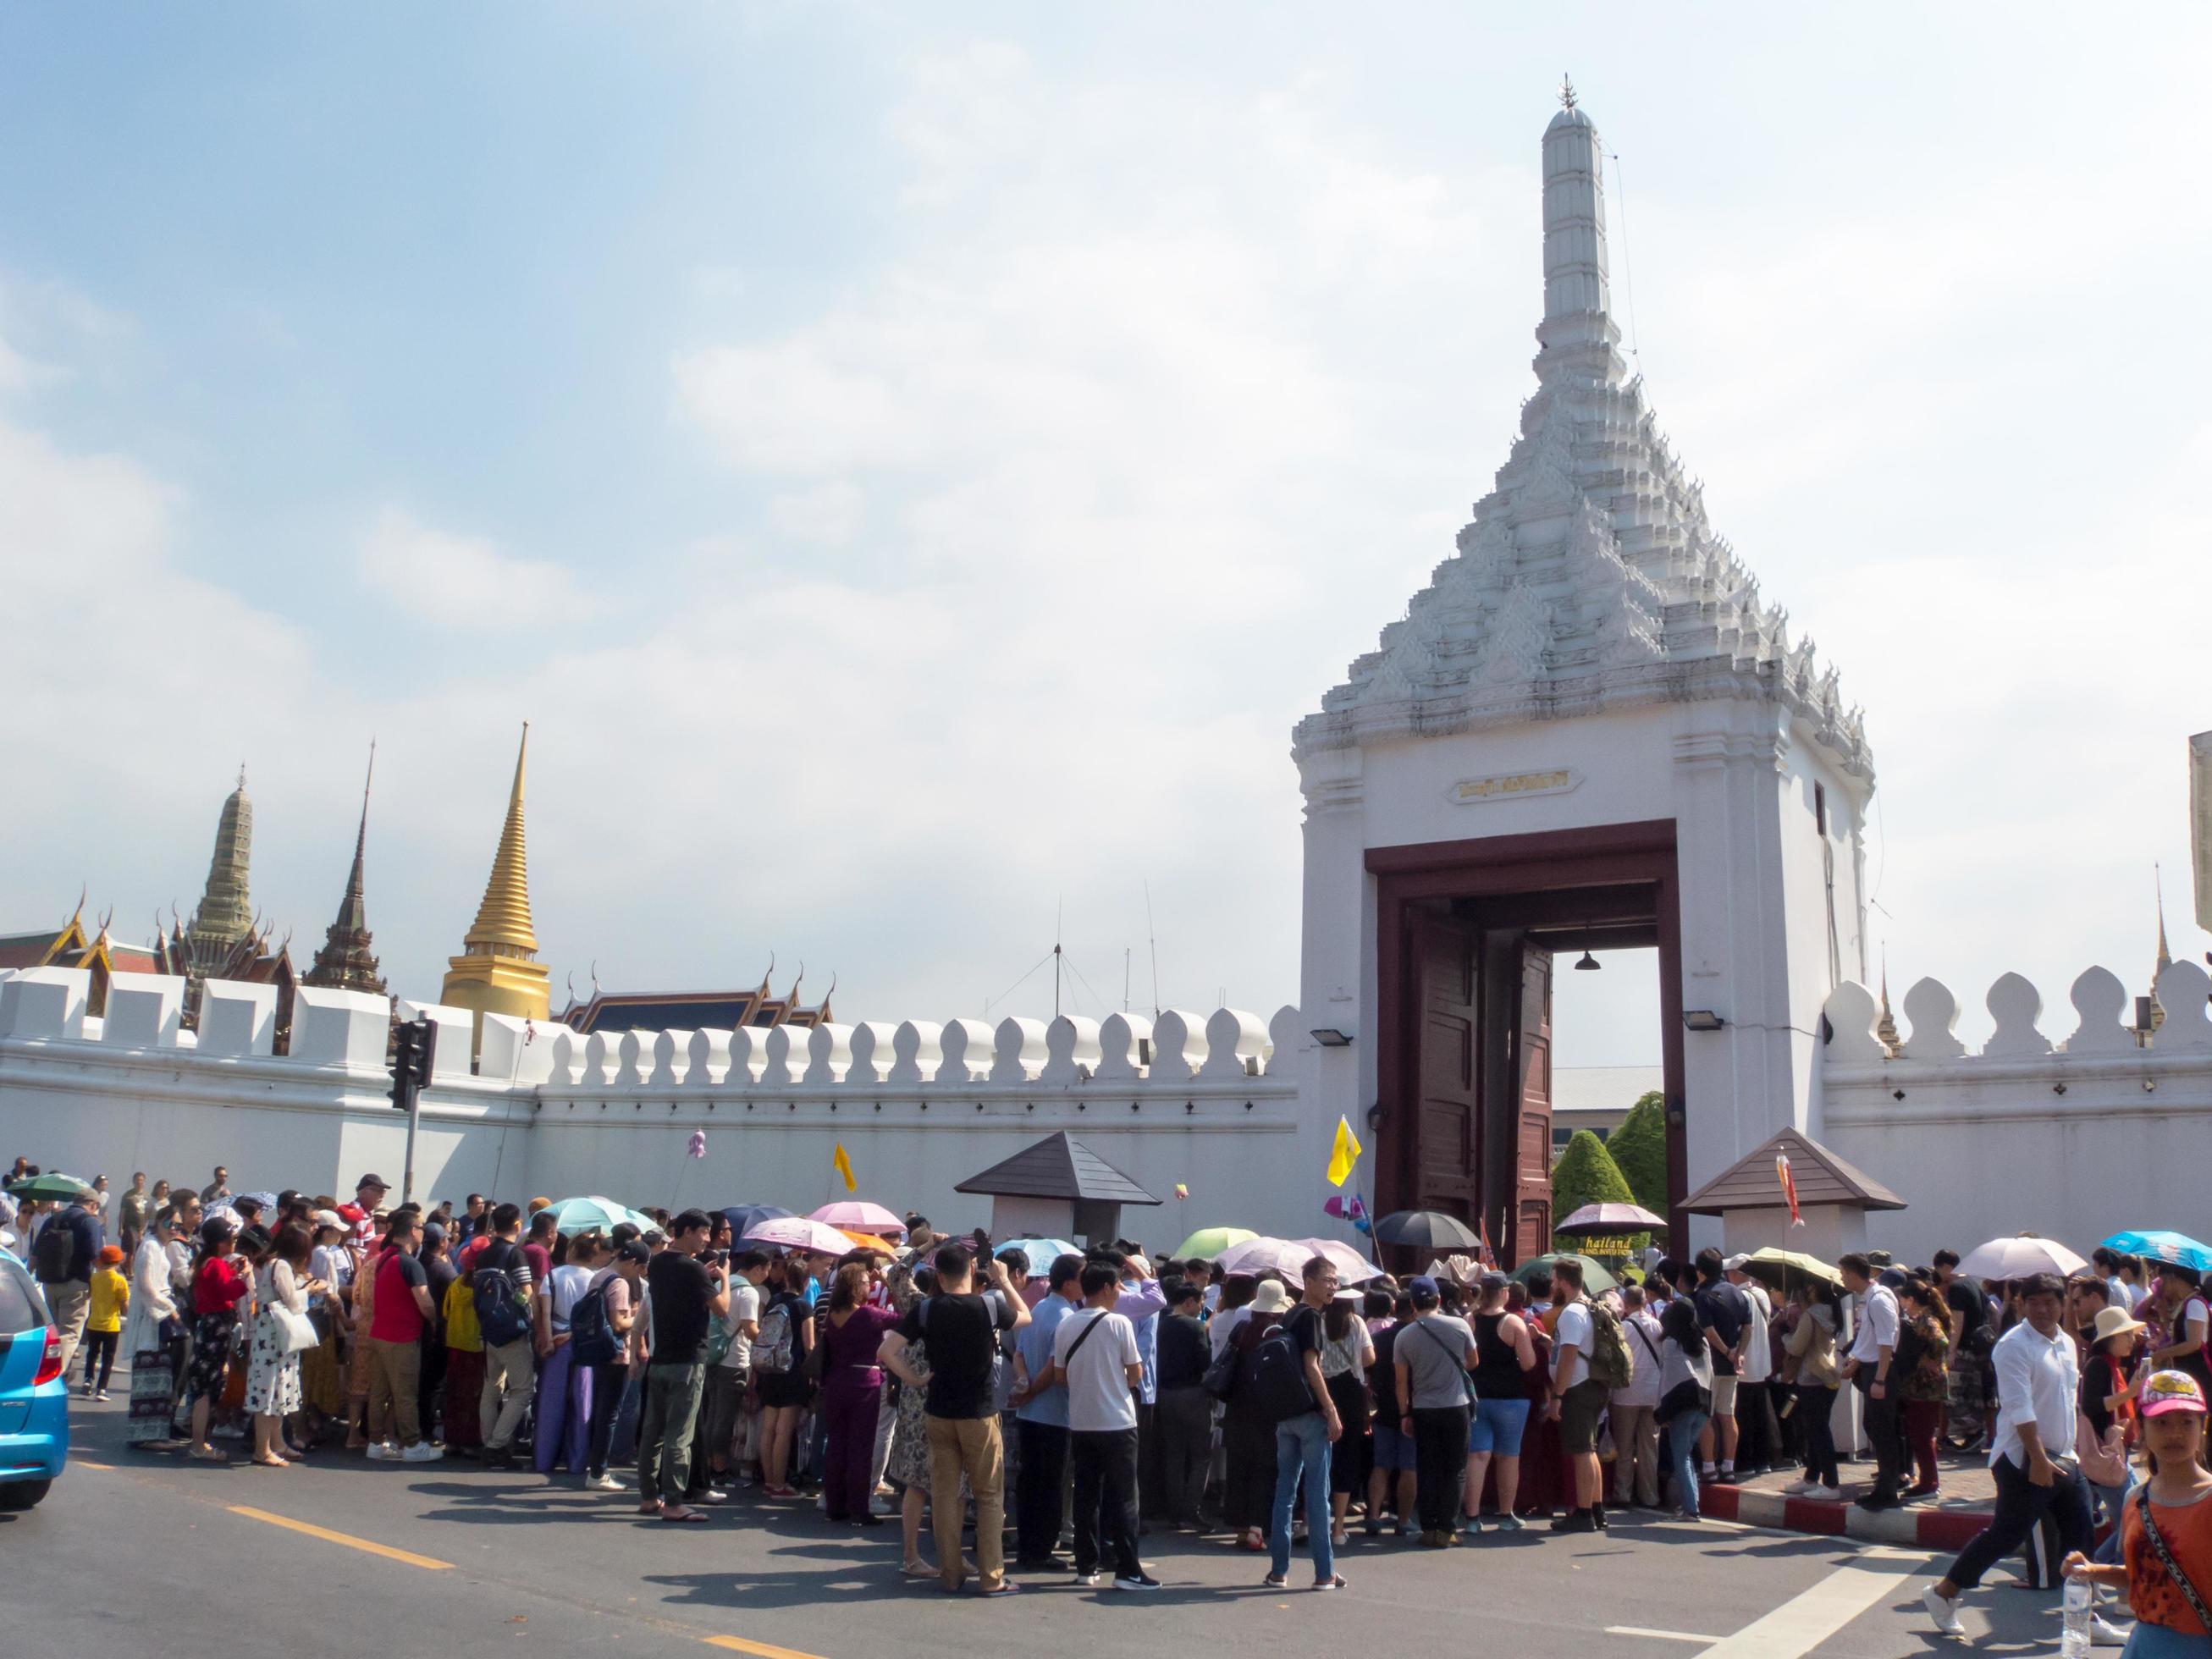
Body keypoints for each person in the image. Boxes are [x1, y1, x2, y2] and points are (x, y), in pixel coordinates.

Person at [1922, 1273, 2104, 1639]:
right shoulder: (2013, 1345)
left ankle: (2083, 1622)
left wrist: (2080, 1449)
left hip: (2064, 1457)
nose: (2041, 1309)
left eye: (2050, 1302)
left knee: (2081, 1537)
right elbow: (2019, 1407)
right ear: (2020, 1304)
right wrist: (2037, 1459)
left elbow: (2067, 1402)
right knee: (2006, 1534)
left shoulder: (2067, 1343)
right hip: (2023, 1457)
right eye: (2032, 1302)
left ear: (2062, 1303)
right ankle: (1944, 1593)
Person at [880, 1240, 1031, 1597]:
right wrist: (1004, 1281)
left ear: (940, 1275)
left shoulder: (927, 1310)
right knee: (989, 1495)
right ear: (970, 1269)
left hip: (938, 1411)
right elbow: (1025, 1316)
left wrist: (915, 1379)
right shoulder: (990, 1305)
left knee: (944, 1496)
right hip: (978, 1412)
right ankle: (992, 1577)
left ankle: (950, 1574)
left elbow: (886, 1351)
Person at [2063, 1370, 2212, 1659]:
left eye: (2186, 1422)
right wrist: (2091, 1570)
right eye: (2161, 1423)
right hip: (2144, 1647)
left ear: (2203, 1427)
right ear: (2141, 1428)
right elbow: (2143, 1576)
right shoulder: (2136, 1500)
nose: (2175, 1433)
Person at [1042, 1261, 1156, 1590]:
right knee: (1124, 1498)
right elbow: (1136, 1373)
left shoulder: (1067, 1324)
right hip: (1117, 1422)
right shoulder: (1119, 1323)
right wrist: (1115, 1379)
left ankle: (1086, 1566)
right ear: (1106, 1288)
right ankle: (1128, 1570)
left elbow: (1061, 1376)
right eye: (1119, 1286)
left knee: (1086, 1496)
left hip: (1081, 1421)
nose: (1120, 1292)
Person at [637, 1210, 729, 1522]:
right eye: (703, 1233)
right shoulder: (694, 1270)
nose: (706, 1239)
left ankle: (650, 1497)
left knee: (653, 1432)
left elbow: (681, 1285)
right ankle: (675, 1501)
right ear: (687, 1231)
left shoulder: (659, 1262)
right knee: (680, 1434)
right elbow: (721, 1309)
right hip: (688, 1360)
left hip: (660, 1357)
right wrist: (724, 1281)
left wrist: (702, 1272)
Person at [1262, 1254, 1344, 1590]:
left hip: (1285, 1415)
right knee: (1316, 1493)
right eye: (1328, 1280)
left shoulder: (1289, 1314)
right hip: (1309, 1415)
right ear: (1308, 1281)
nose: (1333, 1287)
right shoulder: (1310, 1316)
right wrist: (1331, 1408)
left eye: (1335, 1282)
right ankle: (1324, 1572)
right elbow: (1312, 1366)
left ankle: (1278, 1570)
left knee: (1285, 1492)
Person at [1009, 1252, 1083, 1564]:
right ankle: (1041, 1549)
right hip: (1054, 1413)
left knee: (1029, 1482)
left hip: (1030, 1414)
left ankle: (1028, 1544)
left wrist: (1024, 1385)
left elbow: (1019, 1354)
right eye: (1082, 1279)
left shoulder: (1038, 1308)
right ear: (1068, 1284)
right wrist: (1031, 1391)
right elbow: (1056, 1367)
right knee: (1051, 1485)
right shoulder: (1065, 1317)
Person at [1396, 1274, 1475, 1549]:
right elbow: (1473, 1362)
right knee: (1455, 1469)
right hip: (1456, 1404)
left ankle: (1428, 1527)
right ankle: (1447, 1528)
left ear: (1413, 1304)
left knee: (1427, 1468)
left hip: (1423, 1408)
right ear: (1439, 1299)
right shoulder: (1459, 1325)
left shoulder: (1404, 1335)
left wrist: (1404, 1414)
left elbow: (1401, 1381)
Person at [819, 1260, 899, 1524]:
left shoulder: (833, 1314)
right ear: (857, 1287)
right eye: (867, 1282)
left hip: (835, 1381)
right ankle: (859, 1507)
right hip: (864, 1382)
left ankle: (835, 1504)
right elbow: (903, 1318)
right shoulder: (869, 1315)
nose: (871, 1285)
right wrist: (890, 1283)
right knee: (861, 1447)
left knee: (836, 1445)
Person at [1466, 1269, 1538, 1529]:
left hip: (1477, 1395)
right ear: (1504, 1293)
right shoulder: (1513, 1323)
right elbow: (1529, 1364)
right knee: (1508, 1456)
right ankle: (1506, 1514)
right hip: (1510, 1398)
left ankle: (1472, 1517)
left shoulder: (1469, 1320)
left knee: (1477, 1456)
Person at [245, 1224, 319, 1467]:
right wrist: (309, 1289)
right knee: (269, 1392)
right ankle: (262, 1449)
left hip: (274, 1336)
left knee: (277, 1392)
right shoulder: (282, 1266)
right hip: (274, 1338)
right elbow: (293, 1302)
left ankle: (277, 1444)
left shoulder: (273, 1263)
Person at [1223, 1279, 1288, 1551]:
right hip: (1266, 1408)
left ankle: (1239, 1528)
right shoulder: (1277, 1332)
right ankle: (1257, 1529)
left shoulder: (1241, 1328)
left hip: (1237, 1405)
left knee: (1238, 1467)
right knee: (1265, 1468)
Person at [1547, 1257, 1610, 1532]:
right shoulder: (1589, 1307)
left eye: (1553, 1280)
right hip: (1593, 1384)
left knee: (1582, 1451)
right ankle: (1595, 1509)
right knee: (1590, 1449)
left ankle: (1584, 1514)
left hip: (1577, 1387)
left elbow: (1569, 1355)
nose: (1551, 1284)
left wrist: (1557, 1395)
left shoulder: (1572, 1313)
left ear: (1562, 1281)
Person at [472, 1203, 538, 1468]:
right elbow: (527, 1293)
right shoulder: (515, 1255)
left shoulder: (483, 1255)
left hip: (488, 1330)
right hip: (512, 1332)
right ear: (518, 1224)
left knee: (492, 1387)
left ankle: (488, 1441)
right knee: (523, 1390)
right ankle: (497, 1445)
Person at [1839, 1252, 1906, 1510]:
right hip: (1871, 1367)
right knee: (1875, 1427)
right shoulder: (1871, 1299)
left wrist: (1879, 1379)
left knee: (1882, 1429)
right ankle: (1887, 1483)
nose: (1843, 1279)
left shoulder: (1878, 1300)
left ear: (1855, 1274)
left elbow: (1886, 1341)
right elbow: (1869, 1338)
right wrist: (1856, 1362)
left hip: (1880, 1371)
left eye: (1844, 1273)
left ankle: (1888, 1489)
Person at [533, 1231, 603, 1476]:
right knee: (582, 1404)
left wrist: (550, 1339)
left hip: (557, 1341)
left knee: (551, 1403)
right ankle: (576, 1462)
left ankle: (544, 1459)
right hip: (584, 1344)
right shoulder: (596, 1279)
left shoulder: (553, 1275)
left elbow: (544, 1313)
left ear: (572, 1249)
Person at [699, 1248, 765, 1493]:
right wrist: (768, 1341)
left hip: (714, 1356)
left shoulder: (722, 1285)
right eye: (765, 1271)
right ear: (758, 1269)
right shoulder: (748, 1292)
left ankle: (706, 1466)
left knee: (713, 1414)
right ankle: (719, 1471)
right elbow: (750, 1329)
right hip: (734, 1360)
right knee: (724, 1419)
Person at [185, 1218, 251, 1462]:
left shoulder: (207, 1263)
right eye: (231, 1239)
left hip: (209, 1325)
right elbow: (229, 1291)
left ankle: (199, 1441)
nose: (233, 1243)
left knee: (206, 1387)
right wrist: (243, 1276)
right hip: (217, 1326)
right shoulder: (215, 1265)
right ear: (220, 1243)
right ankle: (198, 1444)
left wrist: (233, 1272)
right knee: (206, 1389)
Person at [1154, 1276, 1212, 1531]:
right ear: (1189, 1302)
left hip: (1165, 1394)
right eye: (1200, 1303)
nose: (1201, 1308)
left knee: (1174, 1455)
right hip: (1193, 1395)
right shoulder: (1195, 1328)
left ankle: (1175, 1512)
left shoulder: (1160, 1324)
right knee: (1201, 1455)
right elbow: (1205, 1364)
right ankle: (1193, 1509)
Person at [755, 1256, 816, 1499]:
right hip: (792, 1370)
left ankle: (769, 1481)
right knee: (784, 1430)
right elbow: (810, 1345)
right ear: (805, 1281)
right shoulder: (803, 1306)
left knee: (768, 1428)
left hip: (770, 1368)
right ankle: (780, 1484)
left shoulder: (775, 1300)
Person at [122, 1213, 184, 1448]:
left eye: (177, 1225)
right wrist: (170, 1308)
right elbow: (147, 1286)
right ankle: (145, 1436)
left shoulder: (158, 1246)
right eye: (169, 1223)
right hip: (152, 1318)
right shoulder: (149, 1247)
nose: (173, 1228)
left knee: (158, 1379)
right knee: (149, 1379)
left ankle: (152, 1434)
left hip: (158, 1318)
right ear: (158, 1222)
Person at [1782, 1279, 1845, 1497]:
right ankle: (1811, 1477)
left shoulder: (1810, 1315)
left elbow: (1797, 1347)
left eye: (1808, 1287)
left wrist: (1785, 1335)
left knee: (1817, 1432)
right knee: (1819, 1429)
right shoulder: (1831, 1311)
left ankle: (1831, 1484)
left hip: (1810, 1378)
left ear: (1814, 1290)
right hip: (1828, 1375)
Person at [35, 1185, 105, 1375]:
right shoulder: (89, 1222)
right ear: (93, 1204)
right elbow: (95, 1257)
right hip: (76, 1284)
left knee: (53, 1332)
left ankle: (45, 1369)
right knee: (69, 1334)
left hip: (49, 1283)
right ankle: (51, 1376)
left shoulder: (53, 1219)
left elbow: (35, 1253)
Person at [1656, 1294, 1714, 1520]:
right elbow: (1710, 1373)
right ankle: (1692, 1503)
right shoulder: (1702, 1339)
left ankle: (1691, 1508)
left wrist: (1663, 1411)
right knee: (1687, 1454)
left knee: (1681, 1457)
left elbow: (1669, 1378)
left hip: (1681, 1405)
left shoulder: (1672, 1342)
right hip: (1702, 1403)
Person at [1895, 1276, 1953, 1499]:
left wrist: (1925, 1360)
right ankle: (1928, 1478)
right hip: (1925, 1386)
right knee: (1921, 1434)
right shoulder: (1924, 1317)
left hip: (1926, 1387)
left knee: (1921, 1435)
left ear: (1910, 1299)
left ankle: (1930, 1483)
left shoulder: (1925, 1319)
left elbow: (1941, 1342)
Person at [1609, 1282, 1664, 1511]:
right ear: (1645, 1302)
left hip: (1626, 1393)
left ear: (1626, 1304)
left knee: (1625, 1447)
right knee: (1649, 1447)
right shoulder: (1657, 1325)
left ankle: (1623, 1493)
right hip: (1653, 1392)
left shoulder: (1623, 1328)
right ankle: (1650, 1496)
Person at [2150, 1266, 2211, 1395]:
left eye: (2163, 1280)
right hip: (2187, 1371)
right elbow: (2180, 1339)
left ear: (2174, 1279)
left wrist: (2163, 1354)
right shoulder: (2186, 1303)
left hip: (2198, 1372)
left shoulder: (2195, 1303)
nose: (2161, 1285)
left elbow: (2194, 1343)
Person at [80, 1244, 130, 1400]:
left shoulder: (94, 1278)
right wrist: (125, 1312)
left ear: (101, 1261)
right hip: (111, 1325)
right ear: (119, 1261)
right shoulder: (120, 1280)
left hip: (93, 1323)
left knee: (92, 1354)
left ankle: (87, 1381)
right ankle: (101, 1389)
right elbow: (124, 1304)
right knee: (108, 1358)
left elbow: (88, 1296)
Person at [118, 1173, 152, 1262]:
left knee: (139, 1250)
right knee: (131, 1250)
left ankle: (126, 1266)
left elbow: (148, 1212)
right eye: (137, 1180)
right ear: (133, 1181)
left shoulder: (148, 1196)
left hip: (142, 1227)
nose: (139, 1182)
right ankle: (130, 1272)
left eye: (141, 1180)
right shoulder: (128, 1196)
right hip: (130, 1225)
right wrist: (121, 1227)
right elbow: (122, 1212)